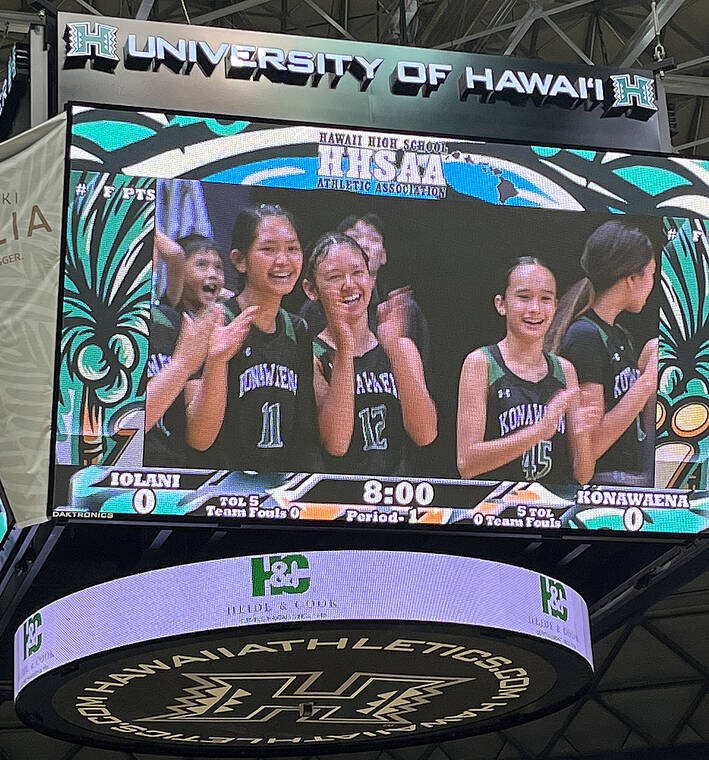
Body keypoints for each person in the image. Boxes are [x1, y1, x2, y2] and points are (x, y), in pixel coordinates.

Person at [184, 204, 316, 472]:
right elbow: (199, 439)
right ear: (239, 260)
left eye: (292, 248)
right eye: (268, 249)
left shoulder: (298, 330)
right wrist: (218, 361)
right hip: (217, 490)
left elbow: (304, 436)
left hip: (278, 492)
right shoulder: (212, 322)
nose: (283, 260)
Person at [302, 232, 437, 475]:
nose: (349, 285)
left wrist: (394, 349)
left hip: (394, 495)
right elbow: (336, 444)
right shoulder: (311, 354)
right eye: (334, 277)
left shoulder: (401, 346)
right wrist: (345, 349)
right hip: (332, 497)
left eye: (358, 273)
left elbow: (425, 434)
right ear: (311, 290)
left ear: (370, 277)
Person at [457, 257, 599, 484]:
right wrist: (539, 431)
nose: (535, 309)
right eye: (523, 298)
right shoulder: (481, 363)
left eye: (545, 299)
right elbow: (467, 464)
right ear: (501, 304)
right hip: (496, 510)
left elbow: (583, 476)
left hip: (551, 511)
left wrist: (582, 435)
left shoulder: (565, 370)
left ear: (555, 306)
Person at [545, 221, 658, 486]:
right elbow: (591, 445)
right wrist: (647, 381)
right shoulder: (585, 335)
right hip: (603, 481)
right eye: (651, 274)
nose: (652, 284)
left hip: (632, 472)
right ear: (631, 279)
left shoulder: (620, 335)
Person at [299, 213, 431, 369]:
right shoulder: (312, 310)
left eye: (373, 238)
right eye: (354, 236)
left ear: (384, 255)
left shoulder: (401, 309)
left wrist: (397, 348)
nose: (364, 244)